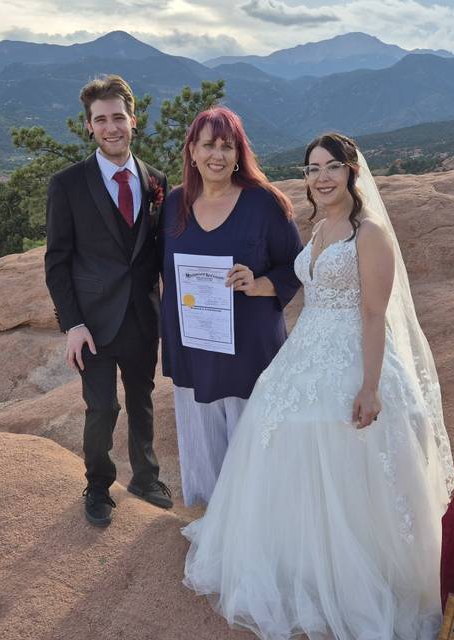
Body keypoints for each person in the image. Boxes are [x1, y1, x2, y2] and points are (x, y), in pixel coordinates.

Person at [182, 133, 454, 639]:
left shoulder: (369, 234)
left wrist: (370, 387)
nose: (321, 178)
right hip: (305, 349)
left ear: (352, 172)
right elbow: (305, 286)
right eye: (312, 169)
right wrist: (256, 283)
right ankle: (299, 563)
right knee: (279, 433)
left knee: (341, 448)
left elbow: (374, 314)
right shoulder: (320, 225)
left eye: (332, 167)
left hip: (353, 357)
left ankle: (355, 577)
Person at [44, 75, 172, 528]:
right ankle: (98, 485)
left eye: (119, 117)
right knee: (102, 407)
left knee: (141, 399)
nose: (111, 126)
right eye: (101, 120)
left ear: (133, 120)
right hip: (92, 324)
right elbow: (57, 262)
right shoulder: (68, 184)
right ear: (89, 126)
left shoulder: (156, 181)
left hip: (142, 315)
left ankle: (147, 478)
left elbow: (160, 251)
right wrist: (72, 324)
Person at [160, 107, 303, 508]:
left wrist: (259, 284)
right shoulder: (174, 206)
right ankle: (209, 519)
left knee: (254, 445)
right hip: (195, 347)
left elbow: (296, 265)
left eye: (227, 146)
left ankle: (255, 527)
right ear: (191, 151)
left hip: (250, 350)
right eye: (208, 145)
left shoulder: (265, 204)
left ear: (239, 153)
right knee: (202, 442)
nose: (216, 155)